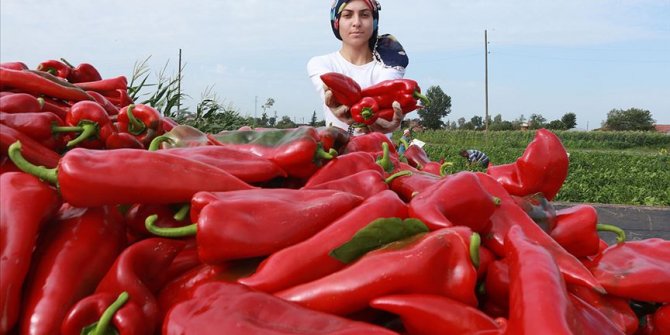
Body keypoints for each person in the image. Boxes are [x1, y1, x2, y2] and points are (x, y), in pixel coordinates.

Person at [307, 0, 409, 136]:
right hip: (339, 154)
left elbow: (381, 95)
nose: (356, 23)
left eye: (365, 15)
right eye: (347, 15)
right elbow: (335, 98)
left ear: (374, 21)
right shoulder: (320, 63)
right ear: (336, 22)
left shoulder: (391, 62)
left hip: (380, 153)